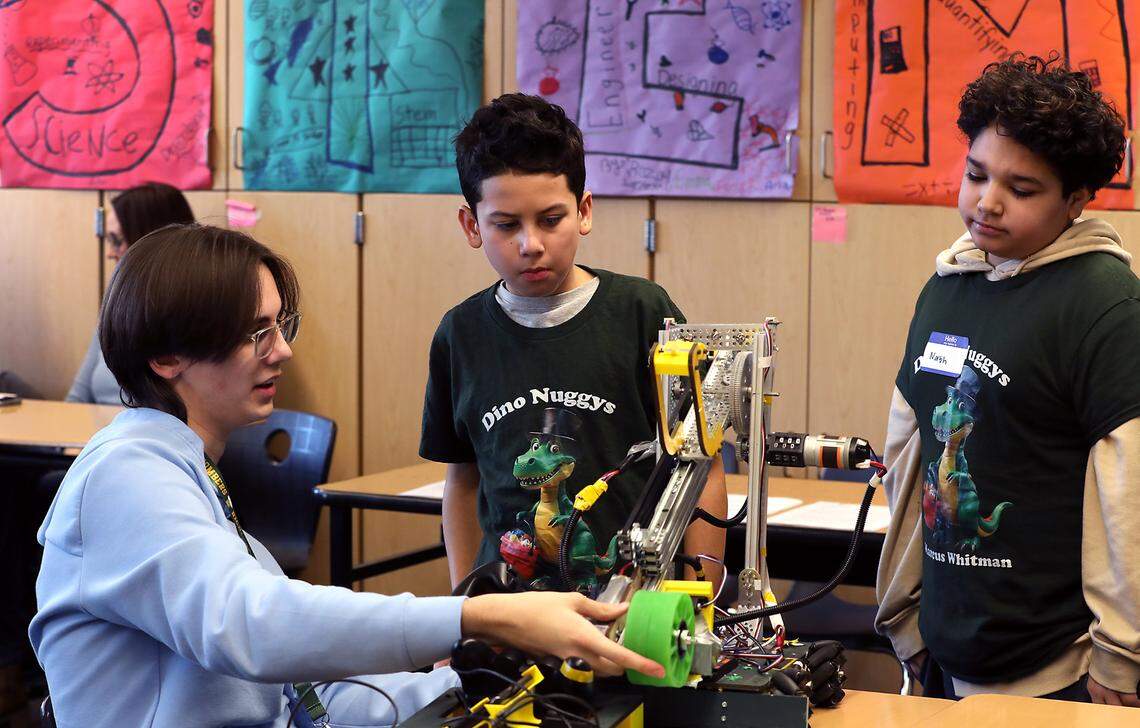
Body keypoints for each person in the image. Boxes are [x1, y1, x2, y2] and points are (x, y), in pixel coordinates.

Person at [31, 224, 663, 727]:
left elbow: (301, 689)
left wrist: (471, 688)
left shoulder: (186, 470)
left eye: (280, 325)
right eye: (256, 333)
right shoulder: (125, 476)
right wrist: (474, 619)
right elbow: (253, 627)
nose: (281, 350)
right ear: (167, 357)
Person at [876, 55, 1140, 706]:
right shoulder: (947, 286)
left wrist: (1121, 653)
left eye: (1021, 190)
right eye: (975, 174)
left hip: (1063, 669)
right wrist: (904, 618)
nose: (987, 202)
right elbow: (907, 460)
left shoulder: (1105, 304)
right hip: (942, 650)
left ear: (1076, 201)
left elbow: (1128, 495)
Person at [420, 93, 727, 591]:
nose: (531, 244)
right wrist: (463, 608)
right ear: (471, 225)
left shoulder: (643, 313)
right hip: (509, 612)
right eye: (505, 224)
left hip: (632, 607)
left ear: (583, 211)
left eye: (550, 219)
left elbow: (702, 468)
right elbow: (462, 482)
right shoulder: (460, 334)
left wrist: (699, 600)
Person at [66, 182, 194, 405]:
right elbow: (78, 396)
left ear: (148, 240)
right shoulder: (117, 308)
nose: (109, 253)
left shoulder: (196, 317)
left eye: (116, 241)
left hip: (143, 438)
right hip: (95, 437)